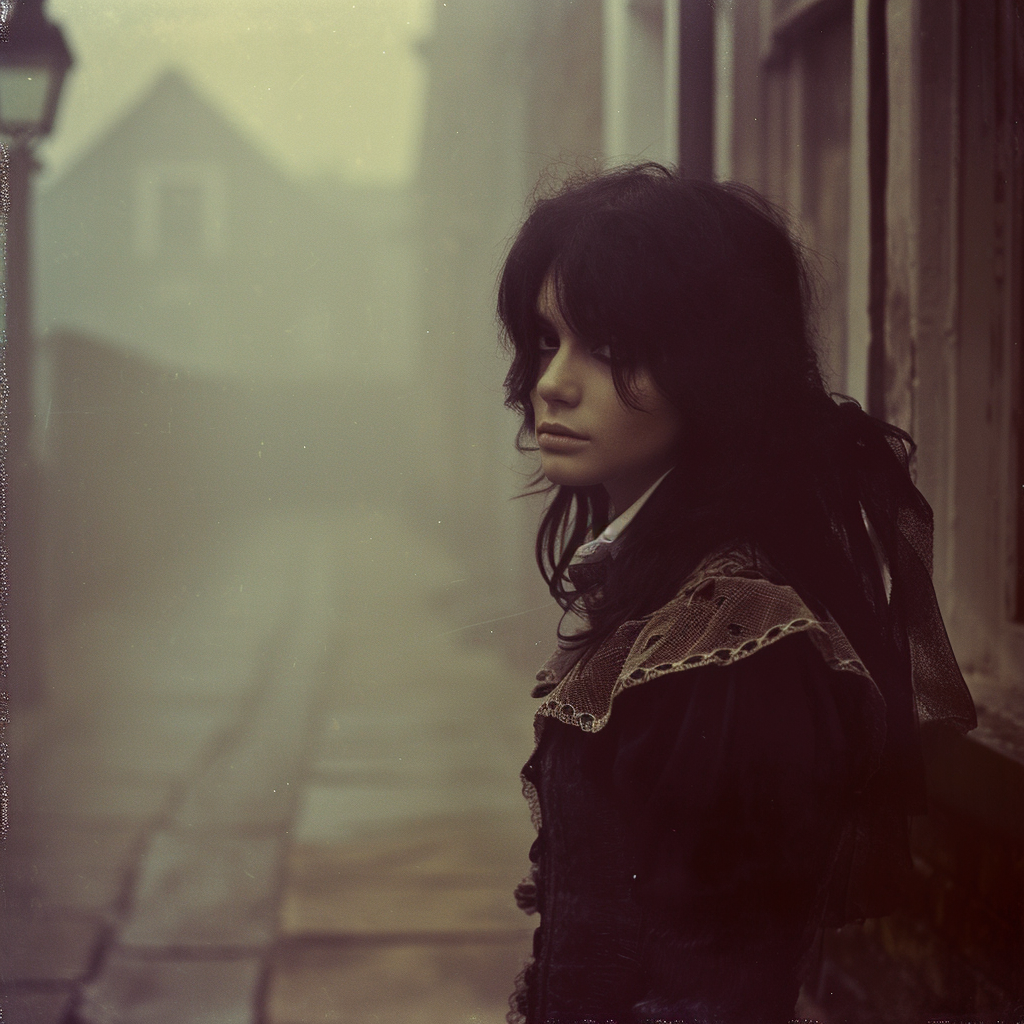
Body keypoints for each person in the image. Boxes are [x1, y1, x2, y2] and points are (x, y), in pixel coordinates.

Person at [496, 163, 976, 1024]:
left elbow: (711, 994)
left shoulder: (728, 640)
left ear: (713, 367)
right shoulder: (667, 590)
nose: (552, 383)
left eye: (609, 348)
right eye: (545, 340)